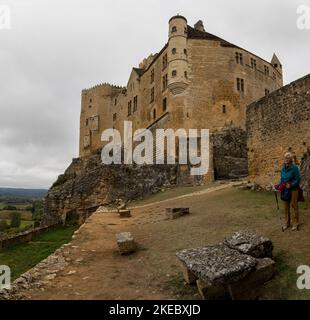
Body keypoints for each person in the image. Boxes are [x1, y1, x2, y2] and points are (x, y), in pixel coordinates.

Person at [275, 152, 301, 231]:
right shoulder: (283, 169)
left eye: (288, 158)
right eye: (285, 158)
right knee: (286, 207)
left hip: (293, 190)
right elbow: (282, 180)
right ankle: (287, 223)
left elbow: (298, 179)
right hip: (285, 190)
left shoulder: (295, 168)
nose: (286, 159)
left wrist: (292, 185)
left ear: (291, 159)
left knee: (294, 206)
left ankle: (295, 223)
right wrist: (278, 186)